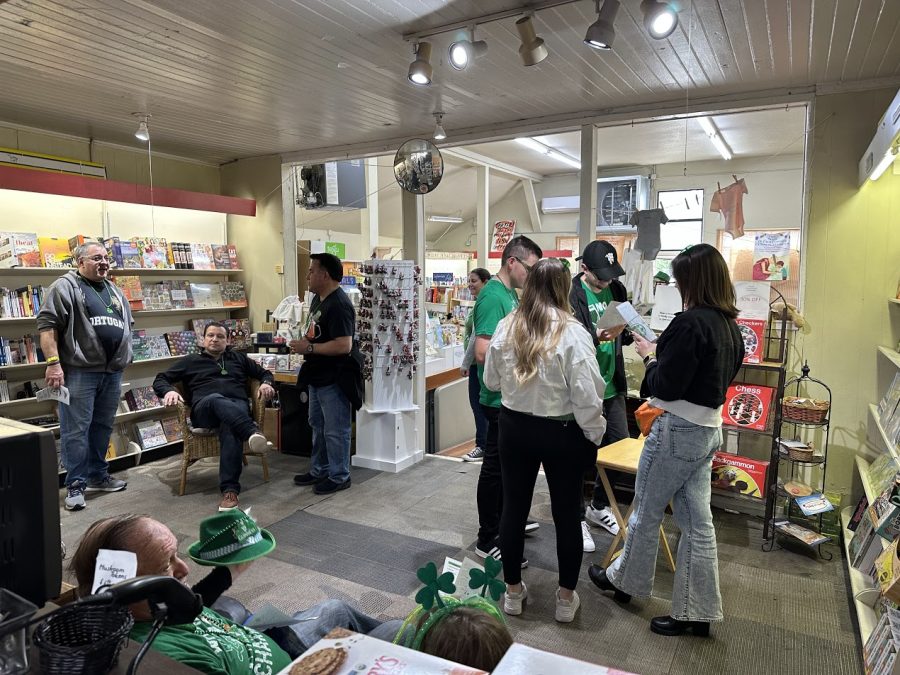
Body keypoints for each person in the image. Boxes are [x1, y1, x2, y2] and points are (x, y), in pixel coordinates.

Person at [589, 243, 745, 637]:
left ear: (691, 281)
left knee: (645, 510)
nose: (675, 284)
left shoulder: (689, 323)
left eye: (678, 279)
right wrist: (663, 353)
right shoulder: (730, 325)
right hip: (708, 429)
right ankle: (698, 610)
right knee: (697, 523)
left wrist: (649, 356)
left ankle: (625, 582)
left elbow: (664, 384)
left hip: (676, 429)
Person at [71, 512, 404, 675]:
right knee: (399, 632)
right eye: (164, 566)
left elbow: (196, 598)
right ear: (127, 589)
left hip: (263, 637)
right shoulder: (164, 656)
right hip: (296, 668)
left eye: (176, 554)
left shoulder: (164, 608)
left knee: (336, 606)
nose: (184, 569)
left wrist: (230, 571)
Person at [484, 258, 607, 623]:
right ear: (564, 287)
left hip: (514, 428)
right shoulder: (572, 332)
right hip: (562, 432)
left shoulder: (508, 326)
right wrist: (595, 433)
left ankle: (512, 592)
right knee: (567, 514)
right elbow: (588, 395)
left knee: (514, 509)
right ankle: (566, 599)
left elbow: (491, 381)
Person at [37, 241, 132, 512]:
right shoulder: (63, 287)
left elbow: (127, 324)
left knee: (102, 426)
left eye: (106, 258)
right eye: (96, 258)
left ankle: (98, 476)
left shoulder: (113, 289)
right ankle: (76, 485)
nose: (104, 262)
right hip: (80, 372)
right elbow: (47, 328)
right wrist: (53, 364)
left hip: (111, 372)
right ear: (80, 262)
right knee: (75, 430)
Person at [472, 235, 543, 564]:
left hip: (511, 398)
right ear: (512, 262)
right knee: (495, 468)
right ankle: (488, 537)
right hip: (497, 397)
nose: (531, 275)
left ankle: (505, 522)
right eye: (530, 267)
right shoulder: (492, 297)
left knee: (506, 467)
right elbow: (483, 352)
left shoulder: (510, 295)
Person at [153, 321, 275, 511]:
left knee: (230, 426)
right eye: (211, 335)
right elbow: (160, 379)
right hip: (205, 409)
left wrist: (267, 383)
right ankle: (251, 432)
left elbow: (264, 373)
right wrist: (168, 391)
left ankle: (230, 491)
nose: (215, 339)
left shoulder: (239, 358)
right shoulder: (191, 360)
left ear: (227, 340)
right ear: (203, 339)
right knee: (216, 398)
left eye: (220, 336)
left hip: (236, 407)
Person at [570, 240, 633, 552]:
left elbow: (629, 331)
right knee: (581, 454)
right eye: (602, 275)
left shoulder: (617, 290)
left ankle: (597, 505)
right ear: (585, 268)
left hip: (613, 383)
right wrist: (595, 337)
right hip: (585, 386)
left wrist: (631, 330)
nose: (608, 280)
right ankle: (577, 516)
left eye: (611, 274)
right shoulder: (572, 294)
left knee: (619, 447)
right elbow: (567, 340)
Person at [290, 252, 360, 495]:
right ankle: (320, 469)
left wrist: (309, 347)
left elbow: (344, 345)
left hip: (335, 378)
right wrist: (305, 343)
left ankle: (340, 475)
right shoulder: (318, 299)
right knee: (317, 425)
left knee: (335, 429)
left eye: (311, 270)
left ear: (325, 274)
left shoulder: (339, 305)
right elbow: (317, 332)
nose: (308, 275)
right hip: (317, 375)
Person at [459, 268, 491, 463]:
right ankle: (485, 444)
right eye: (469, 281)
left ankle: (482, 445)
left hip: (477, 364)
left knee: (478, 405)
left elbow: (475, 338)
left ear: (485, 281)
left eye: (474, 281)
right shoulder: (479, 302)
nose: (470, 284)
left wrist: (465, 362)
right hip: (476, 363)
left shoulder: (484, 303)